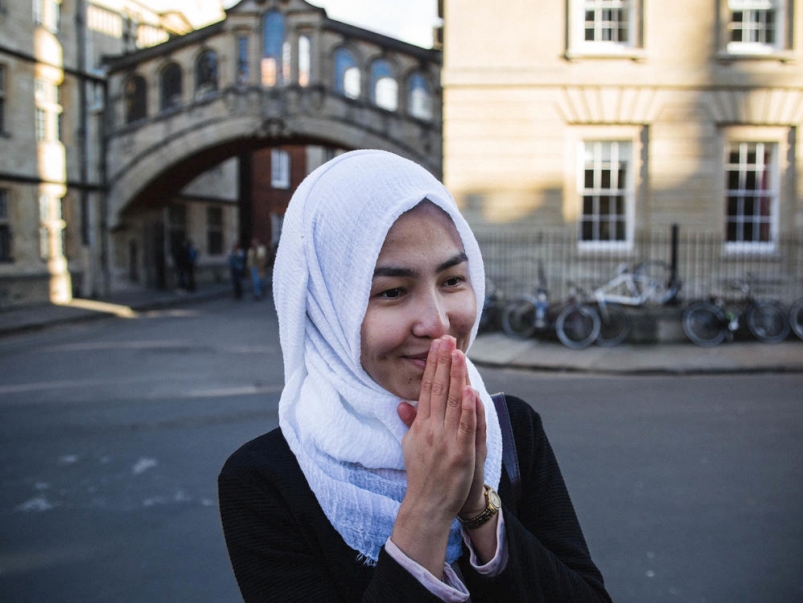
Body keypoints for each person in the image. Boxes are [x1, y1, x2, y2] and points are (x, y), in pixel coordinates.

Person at [218, 150, 611, 601]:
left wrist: (477, 506)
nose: (439, 322)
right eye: (393, 291)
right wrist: (427, 505)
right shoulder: (264, 480)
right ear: (326, 310)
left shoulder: (513, 430)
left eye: (452, 281)